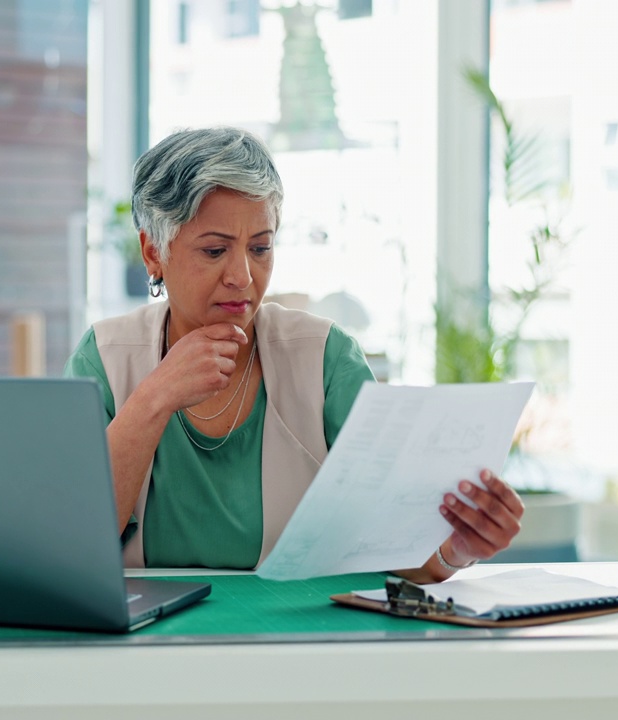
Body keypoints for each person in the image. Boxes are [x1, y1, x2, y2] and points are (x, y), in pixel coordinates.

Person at [65, 127, 522, 581]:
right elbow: (71, 541)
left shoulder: (325, 359)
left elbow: (393, 548)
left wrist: (456, 550)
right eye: (215, 250)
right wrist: (155, 396)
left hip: (298, 640)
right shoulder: (104, 358)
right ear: (153, 252)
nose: (242, 276)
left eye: (261, 247)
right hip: (140, 647)